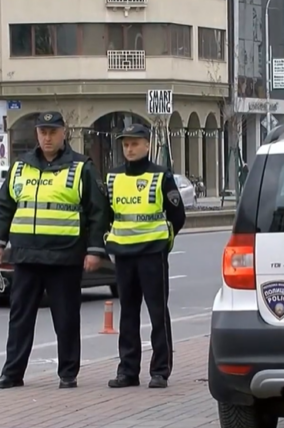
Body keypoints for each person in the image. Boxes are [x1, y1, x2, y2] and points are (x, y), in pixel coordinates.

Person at [0, 111, 108, 390]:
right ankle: (12, 373)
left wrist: (94, 250)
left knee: (65, 319)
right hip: (26, 255)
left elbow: (97, 212)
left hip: (64, 256)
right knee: (20, 318)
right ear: (36, 135)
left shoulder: (81, 167)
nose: (47, 137)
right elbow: (4, 206)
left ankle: (67, 373)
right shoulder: (21, 167)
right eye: (42, 132)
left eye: (52, 132)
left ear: (63, 133)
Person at [105, 124, 186, 389]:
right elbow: (107, 215)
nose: (129, 148)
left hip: (152, 253)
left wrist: (164, 242)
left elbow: (177, 215)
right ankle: (127, 371)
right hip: (124, 255)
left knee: (157, 313)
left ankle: (160, 371)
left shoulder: (161, 175)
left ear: (147, 145)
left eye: (135, 143)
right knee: (127, 314)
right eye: (126, 144)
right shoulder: (113, 177)